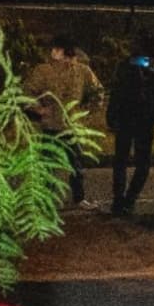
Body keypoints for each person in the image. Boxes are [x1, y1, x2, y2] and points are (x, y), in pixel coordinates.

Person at [25, 38, 101, 209]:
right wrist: (39, 109)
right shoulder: (44, 71)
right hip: (51, 125)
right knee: (49, 165)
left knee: (76, 164)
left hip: (72, 126)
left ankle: (79, 198)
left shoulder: (82, 71)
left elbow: (98, 91)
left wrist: (87, 111)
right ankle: (47, 201)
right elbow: (27, 93)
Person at [106, 34, 154, 216]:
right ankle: (129, 200)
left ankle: (119, 200)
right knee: (142, 163)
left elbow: (116, 91)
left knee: (121, 161)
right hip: (144, 120)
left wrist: (111, 115)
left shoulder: (126, 64)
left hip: (126, 117)